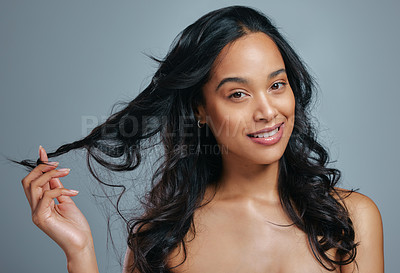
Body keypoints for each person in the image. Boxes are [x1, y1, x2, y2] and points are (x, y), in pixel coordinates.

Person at [15, 5, 384, 273]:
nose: (268, 111)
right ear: (200, 110)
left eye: (276, 85)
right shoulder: (163, 240)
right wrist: (80, 252)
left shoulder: (350, 220)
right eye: (238, 94)